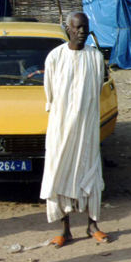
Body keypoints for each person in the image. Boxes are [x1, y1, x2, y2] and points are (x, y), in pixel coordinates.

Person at [40, 12, 110, 248]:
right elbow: (49, 92)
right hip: (61, 128)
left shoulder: (95, 57)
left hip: (87, 128)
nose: (81, 32)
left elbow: (97, 88)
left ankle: (93, 225)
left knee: (90, 173)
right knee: (60, 172)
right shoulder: (55, 57)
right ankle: (65, 229)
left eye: (85, 28)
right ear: (67, 29)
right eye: (77, 28)